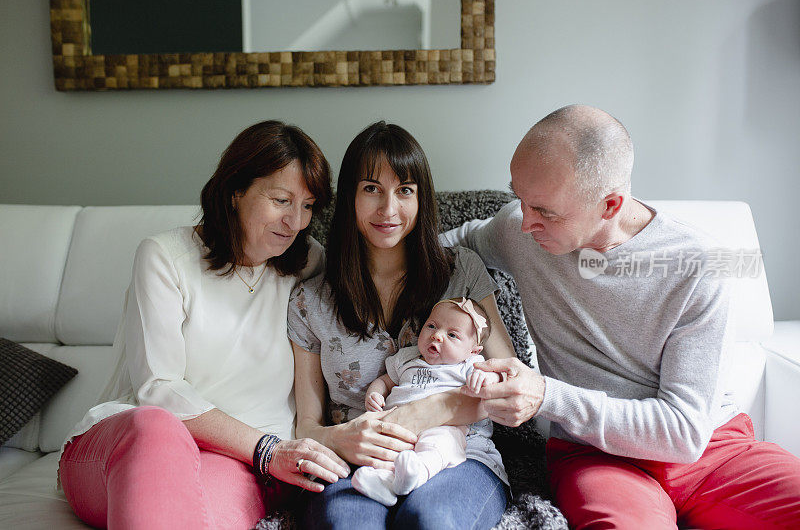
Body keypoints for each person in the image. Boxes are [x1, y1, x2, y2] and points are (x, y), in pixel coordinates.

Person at [444, 104, 800, 529]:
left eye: (545, 212)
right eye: (520, 198)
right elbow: (446, 246)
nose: (525, 223)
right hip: (596, 457)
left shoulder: (698, 267)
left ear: (610, 204)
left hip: (714, 451)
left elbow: (683, 433)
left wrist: (545, 395)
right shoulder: (521, 230)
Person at [58, 121, 350, 529]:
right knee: (156, 424)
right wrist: (267, 449)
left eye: (308, 206)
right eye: (282, 200)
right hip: (134, 445)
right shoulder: (164, 257)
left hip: (240, 465)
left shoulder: (307, 263)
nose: (296, 221)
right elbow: (157, 389)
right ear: (235, 191)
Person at [289, 121, 512, 529]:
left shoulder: (461, 272)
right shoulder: (311, 300)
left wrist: (429, 412)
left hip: (456, 454)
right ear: (350, 198)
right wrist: (339, 440)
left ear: (420, 198)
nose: (389, 209)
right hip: (355, 460)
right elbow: (307, 424)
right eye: (371, 188)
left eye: (405, 190)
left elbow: (512, 384)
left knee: (432, 521)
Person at [353, 297, 503, 506]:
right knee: (384, 452)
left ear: (473, 350)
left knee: (440, 443)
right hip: (400, 427)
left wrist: (490, 377)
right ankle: (385, 484)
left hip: (443, 426)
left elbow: (497, 381)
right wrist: (375, 394)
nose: (437, 335)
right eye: (431, 326)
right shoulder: (406, 358)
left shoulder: (470, 365)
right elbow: (384, 381)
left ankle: (419, 471)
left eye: (452, 335)